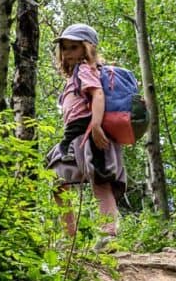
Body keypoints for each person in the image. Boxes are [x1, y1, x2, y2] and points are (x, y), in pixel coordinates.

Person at [48, 23, 125, 242]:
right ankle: (71, 238)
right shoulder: (74, 75)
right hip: (72, 137)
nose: (67, 53)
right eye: (64, 48)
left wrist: (97, 125)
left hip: (88, 132)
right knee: (57, 181)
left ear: (86, 49)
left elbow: (98, 94)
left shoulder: (85, 69)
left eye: (73, 47)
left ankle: (108, 234)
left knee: (100, 181)